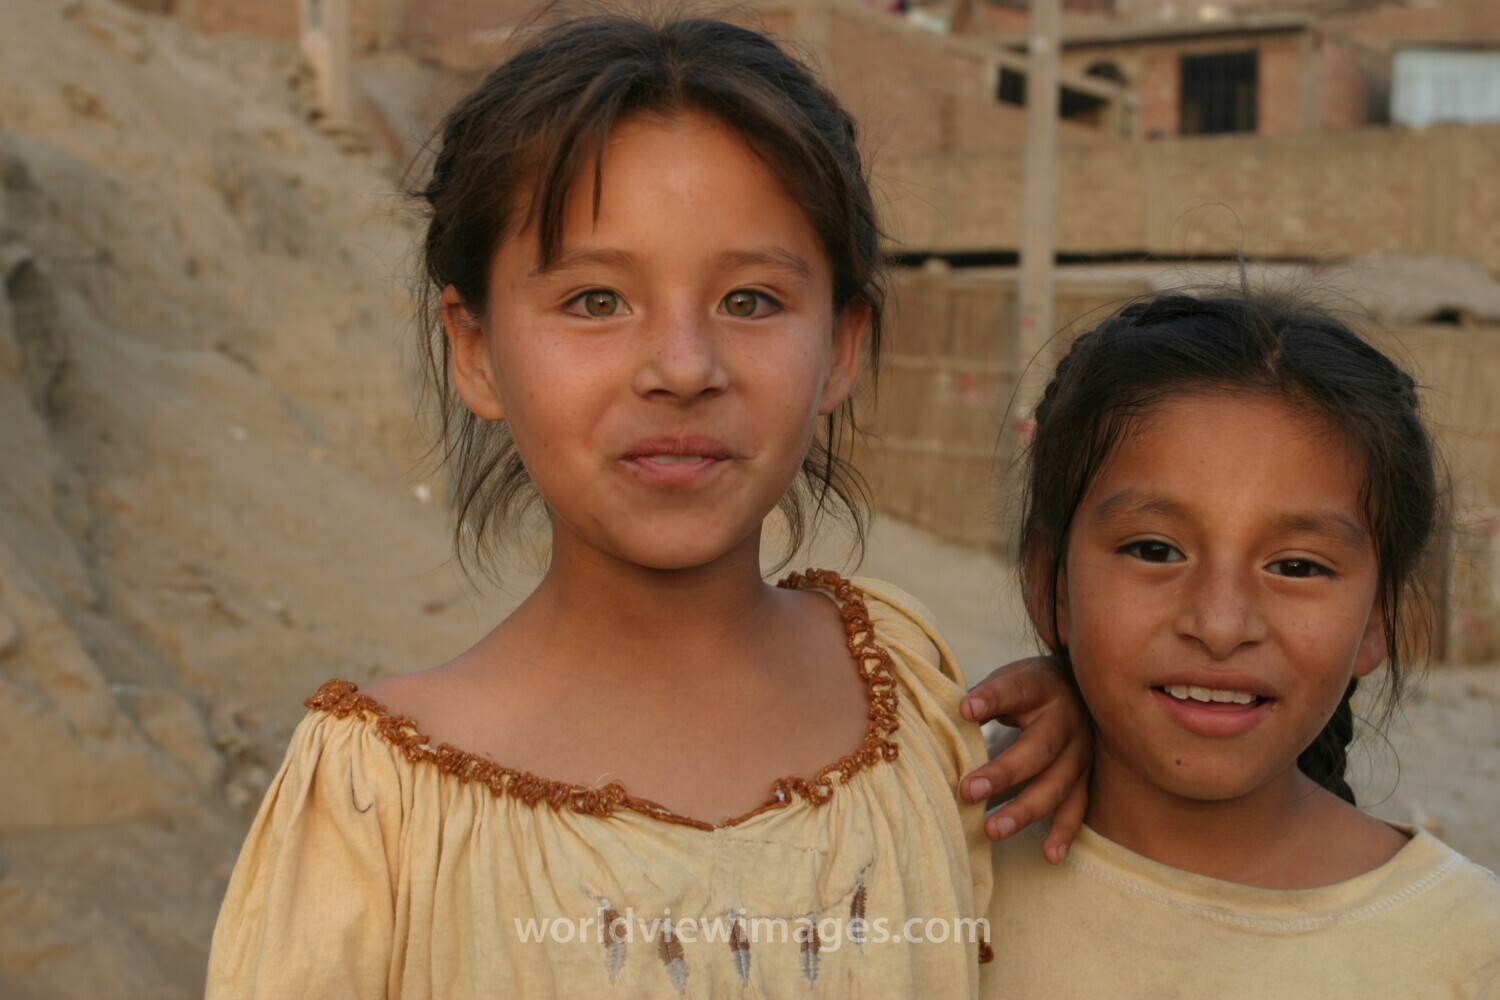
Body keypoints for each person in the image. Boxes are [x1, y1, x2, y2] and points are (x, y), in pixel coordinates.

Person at [206, 11, 1086, 998]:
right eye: (595, 300)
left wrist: (1118, 738)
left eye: (749, 300)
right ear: (476, 348)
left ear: (842, 347)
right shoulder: (379, 809)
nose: (682, 367)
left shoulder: (916, 703)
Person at [984, 291, 1500, 998]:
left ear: (1379, 620)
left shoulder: (1467, 949)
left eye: (1296, 567)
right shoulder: (920, 859)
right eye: (1155, 550)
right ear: (1052, 584)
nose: (1221, 625)